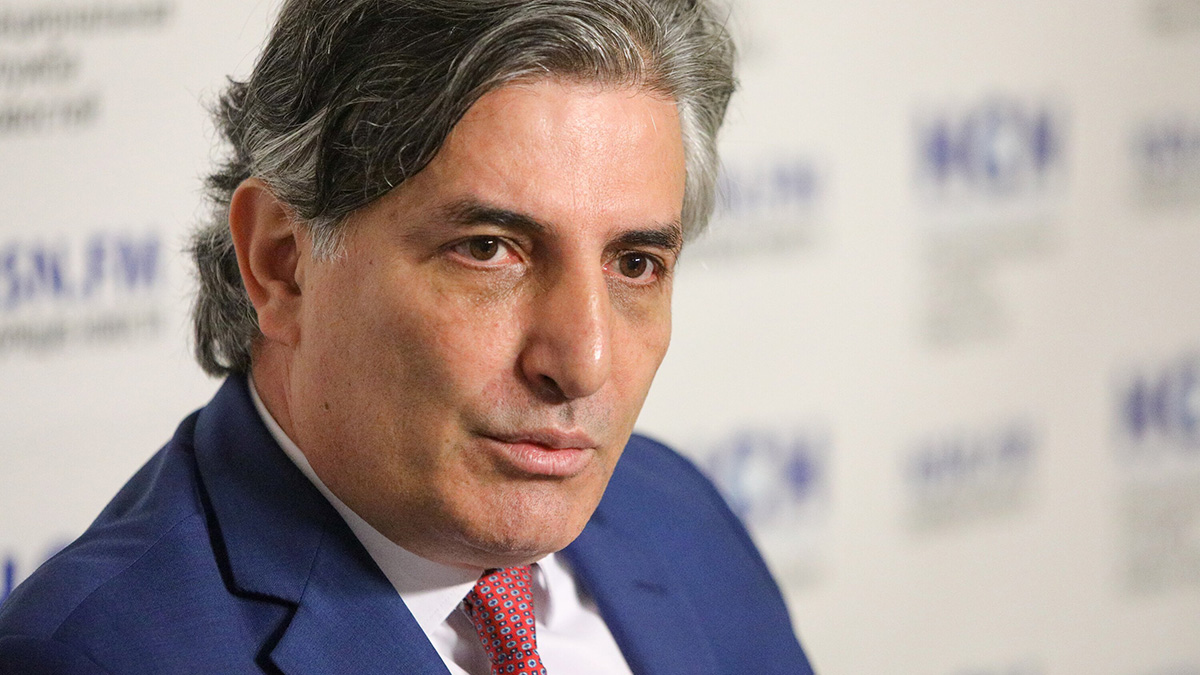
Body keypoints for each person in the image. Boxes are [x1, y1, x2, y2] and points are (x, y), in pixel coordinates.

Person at [0, 0, 815, 673]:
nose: (582, 363)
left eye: (635, 264)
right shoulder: (95, 654)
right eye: (489, 249)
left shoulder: (679, 513)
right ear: (281, 263)